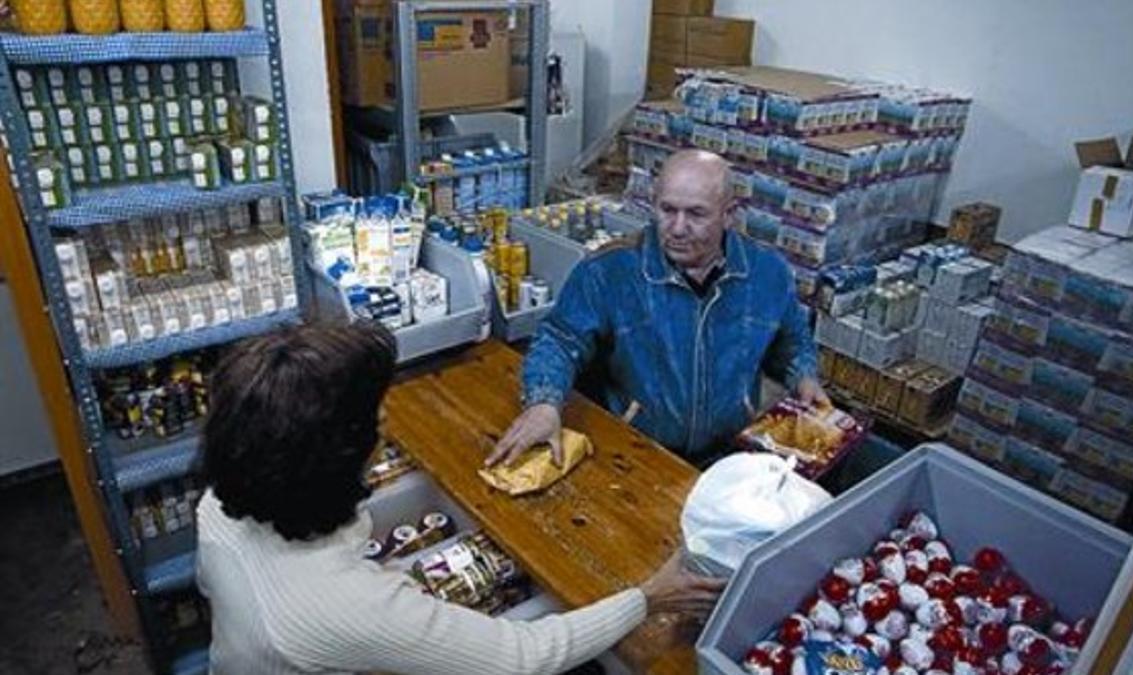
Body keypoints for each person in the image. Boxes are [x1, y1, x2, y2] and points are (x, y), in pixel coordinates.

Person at [196, 321, 724, 675]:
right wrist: (649, 596)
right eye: (371, 415)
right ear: (331, 461)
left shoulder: (219, 503)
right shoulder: (344, 606)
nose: (383, 421)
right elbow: (525, 657)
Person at [490, 150, 828, 469]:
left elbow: (792, 341)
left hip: (730, 453)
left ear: (729, 214)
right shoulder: (610, 270)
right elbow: (560, 339)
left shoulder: (768, 273)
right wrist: (544, 402)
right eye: (668, 210)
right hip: (635, 452)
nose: (678, 228)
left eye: (696, 213)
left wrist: (804, 375)